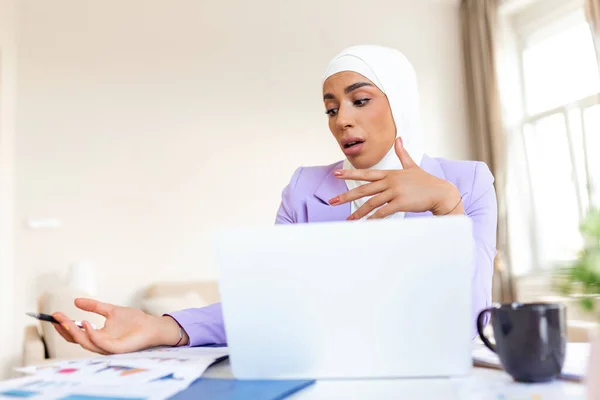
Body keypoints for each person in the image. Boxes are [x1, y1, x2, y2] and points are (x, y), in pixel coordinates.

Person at [51, 45, 497, 355]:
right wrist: (163, 327)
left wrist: (446, 209)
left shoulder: (466, 182)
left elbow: (472, 323)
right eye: (330, 107)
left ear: (401, 101)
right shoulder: (305, 190)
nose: (342, 119)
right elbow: (272, 305)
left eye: (360, 99)